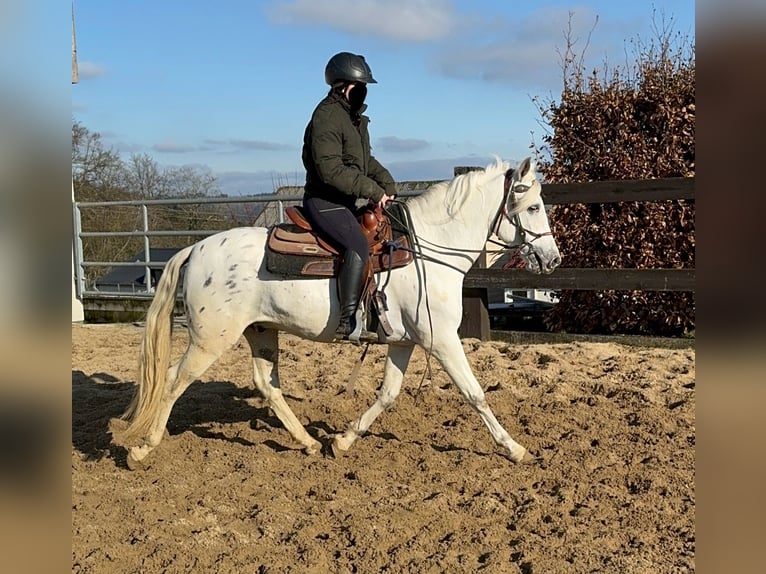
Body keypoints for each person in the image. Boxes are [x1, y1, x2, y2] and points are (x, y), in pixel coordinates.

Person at [301, 52, 396, 340]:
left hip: (344, 201)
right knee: (357, 244)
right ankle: (348, 320)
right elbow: (331, 170)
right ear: (344, 87)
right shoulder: (326, 117)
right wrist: (372, 190)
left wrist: (388, 184)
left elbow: (365, 161)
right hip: (324, 201)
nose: (365, 92)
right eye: (361, 87)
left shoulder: (353, 120)